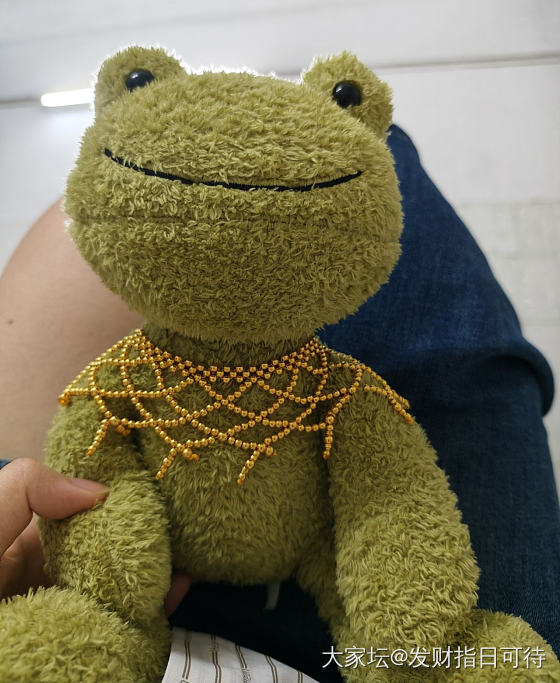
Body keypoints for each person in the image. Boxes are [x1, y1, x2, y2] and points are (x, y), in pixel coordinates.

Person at [0, 125, 558, 682]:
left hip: (303, 559)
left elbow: (388, 483)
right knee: (395, 166)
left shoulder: (328, 386)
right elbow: (97, 460)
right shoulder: (129, 377)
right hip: (168, 589)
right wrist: (114, 569)